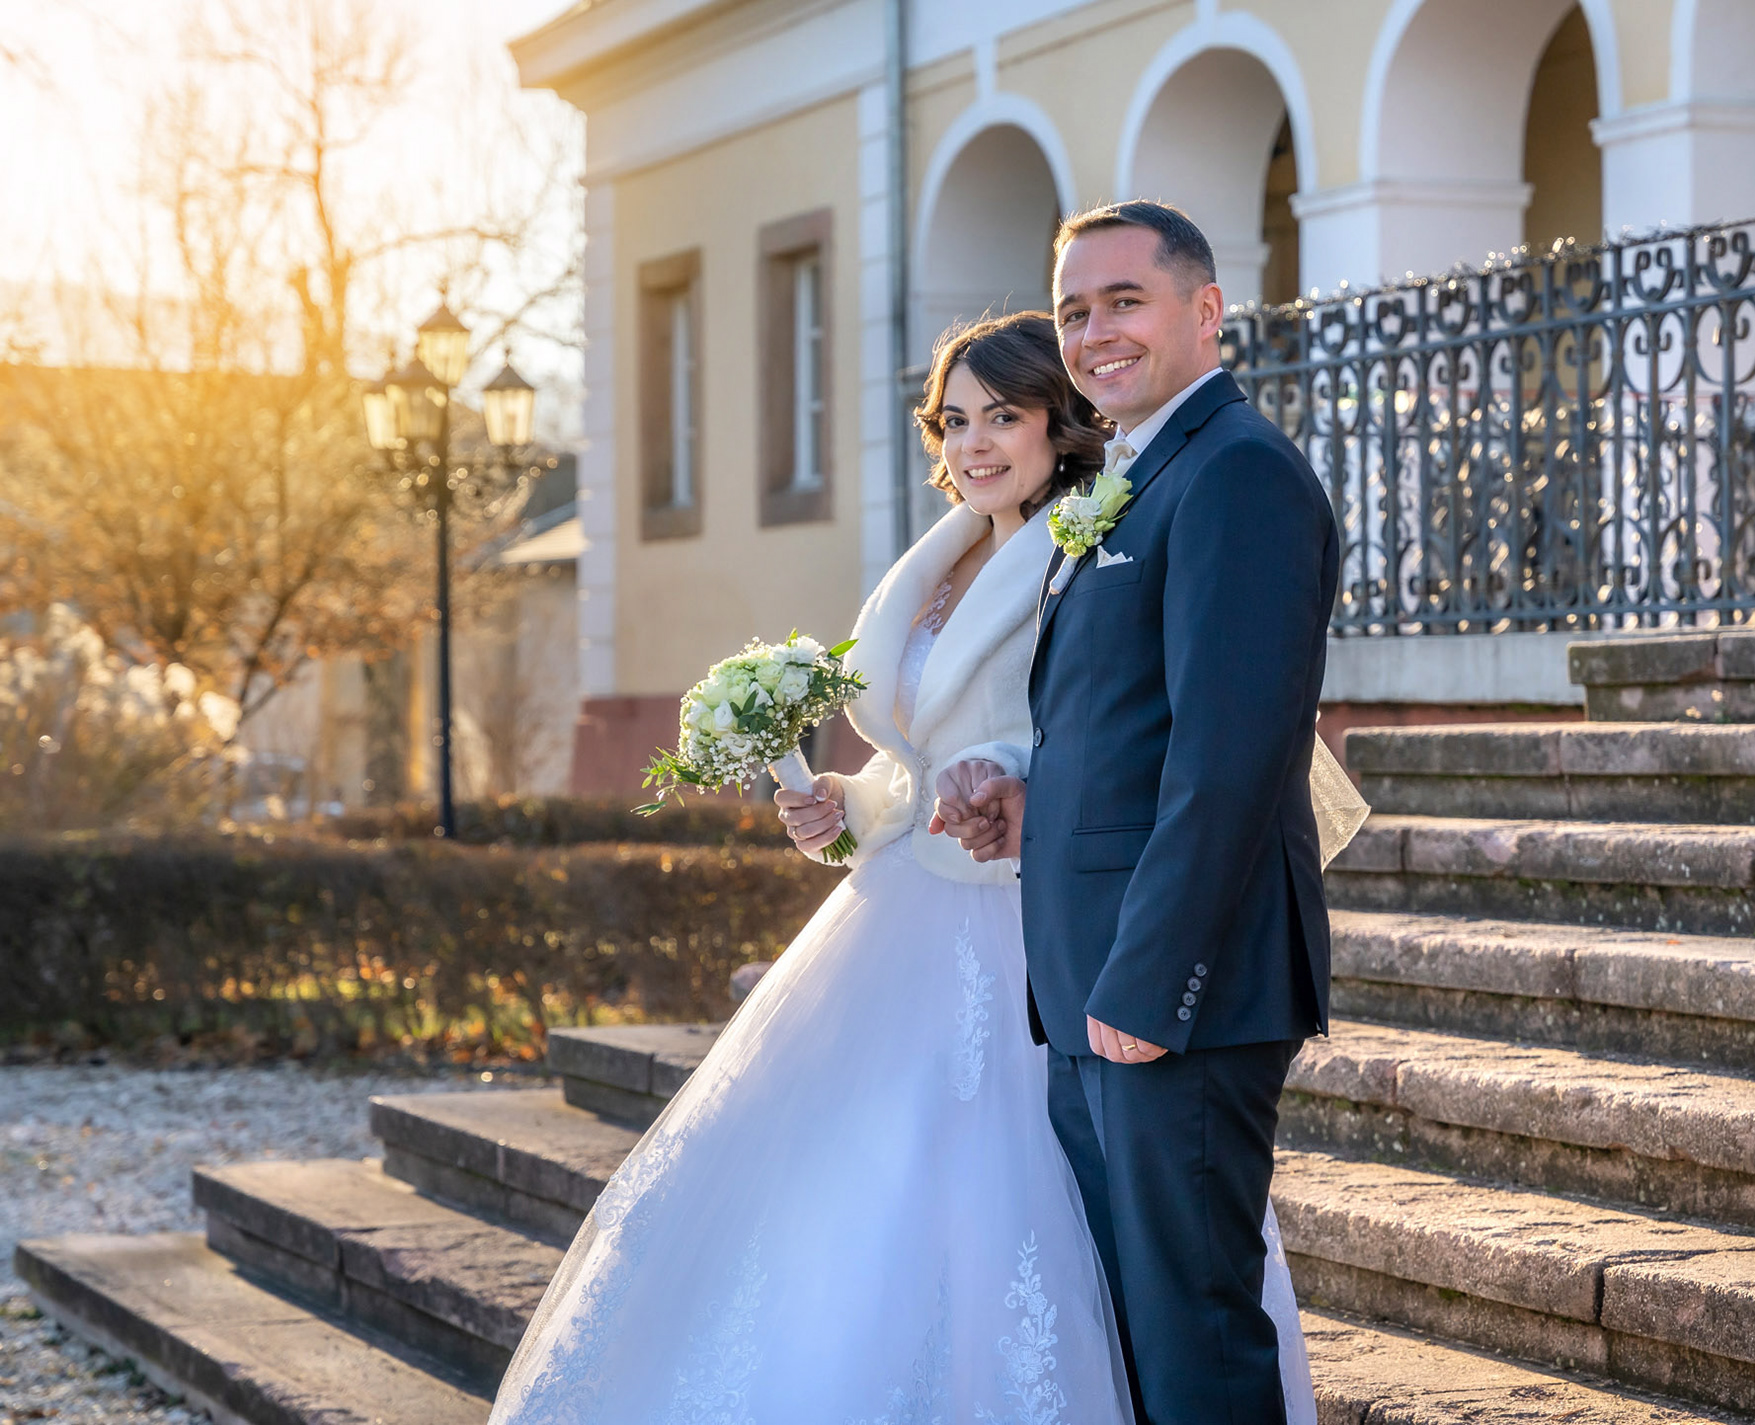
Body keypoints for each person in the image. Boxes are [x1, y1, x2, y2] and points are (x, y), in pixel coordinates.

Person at [489, 313, 1144, 1424]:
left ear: (1059, 422)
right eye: (956, 421)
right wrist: (844, 802)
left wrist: (1006, 770)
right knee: (833, 1193)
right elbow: (916, 757)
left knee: (983, 1194)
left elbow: (1095, 728)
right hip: (899, 912)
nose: (976, 444)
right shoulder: (944, 553)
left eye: (1004, 416)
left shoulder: (1088, 545)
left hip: (1017, 912)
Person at [940, 201, 1349, 1425]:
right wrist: (1033, 799)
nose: (1094, 331)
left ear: (1206, 310)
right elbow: (1132, 727)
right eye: (1074, 310)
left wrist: (1151, 982)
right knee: (1138, 1340)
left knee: (1194, 1344)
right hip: (1093, 983)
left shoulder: (1237, 474)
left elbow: (1231, 760)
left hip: (1175, 994)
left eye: (1125, 300)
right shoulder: (1138, 474)